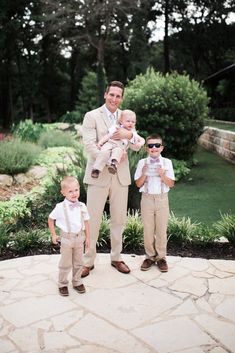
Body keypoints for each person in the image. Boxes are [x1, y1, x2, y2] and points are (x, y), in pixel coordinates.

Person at [82, 80, 142, 277]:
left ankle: (116, 257)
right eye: (111, 95)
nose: (114, 99)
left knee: (118, 220)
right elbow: (90, 145)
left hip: (120, 178)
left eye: (118, 96)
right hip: (98, 175)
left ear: (121, 98)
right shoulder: (91, 116)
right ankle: (88, 261)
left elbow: (137, 144)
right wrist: (110, 156)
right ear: (105, 95)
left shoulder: (126, 117)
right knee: (93, 220)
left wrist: (128, 135)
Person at [134, 134, 175, 272]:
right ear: (147, 148)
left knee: (161, 230)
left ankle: (161, 258)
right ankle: (150, 257)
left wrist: (163, 174)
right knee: (148, 229)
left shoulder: (167, 163)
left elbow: (171, 183)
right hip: (146, 199)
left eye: (157, 145)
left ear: (161, 148)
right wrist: (144, 173)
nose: (154, 148)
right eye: (151, 145)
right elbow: (138, 183)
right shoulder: (142, 163)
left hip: (162, 198)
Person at [48, 176, 90, 296]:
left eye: (76, 190)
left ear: (79, 190)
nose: (74, 193)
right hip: (66, 239)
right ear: (63, 193)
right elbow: (51, 219)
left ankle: (77, 281)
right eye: (70, 191)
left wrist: (88, 237)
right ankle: (62, 283)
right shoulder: (60, 207)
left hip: (79, 237)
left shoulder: (82, 206)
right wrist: (53, 235)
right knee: (65, 263)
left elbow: (86, 222)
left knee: (79, 262)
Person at [91, 109, 145, 178]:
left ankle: (113, 165)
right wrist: (101, 142)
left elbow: (141, 139)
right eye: (128, 121)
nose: (130, 123)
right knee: (104, 152)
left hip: (119, 146)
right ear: (121, 121)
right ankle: (96, 169)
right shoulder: (116, 127)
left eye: (133, 122)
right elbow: (108, 135)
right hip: (110, 143)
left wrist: (141, 143)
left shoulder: (132, 133)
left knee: (118, 152)